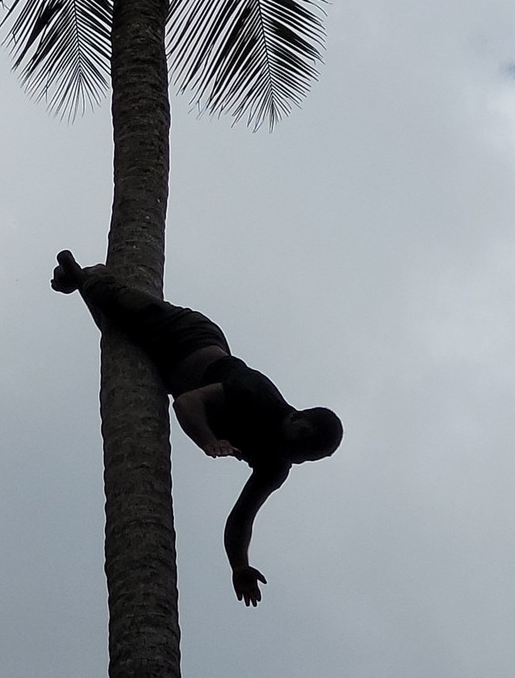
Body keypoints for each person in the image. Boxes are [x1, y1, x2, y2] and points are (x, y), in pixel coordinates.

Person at [51, 250, 342, 606]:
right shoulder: (260, 398)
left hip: (173, 369)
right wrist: (208, 442)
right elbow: (188, 403)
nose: (296, 454)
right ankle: (86, 275)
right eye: (302, 442)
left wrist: (240, 566)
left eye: (306, 458)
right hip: (185, 335)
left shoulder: (275, 466)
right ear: (297, 418)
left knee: (118, 329)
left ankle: (78, 280)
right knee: (119, 303)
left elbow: (241, 519)